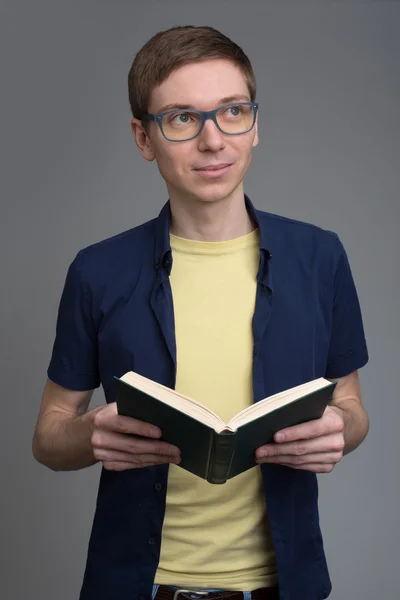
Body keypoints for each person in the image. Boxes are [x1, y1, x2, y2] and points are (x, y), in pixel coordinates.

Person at [32, 25, 369, 600]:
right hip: (139, 588)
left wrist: (341, 431)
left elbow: (350, 406)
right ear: (144, 137)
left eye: (232, 111)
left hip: (284, 586)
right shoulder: (97, 271)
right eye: (183, 119)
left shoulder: (321, 256)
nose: (213, 141)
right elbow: (49, 436)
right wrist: (92, 434)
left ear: (255, 124)